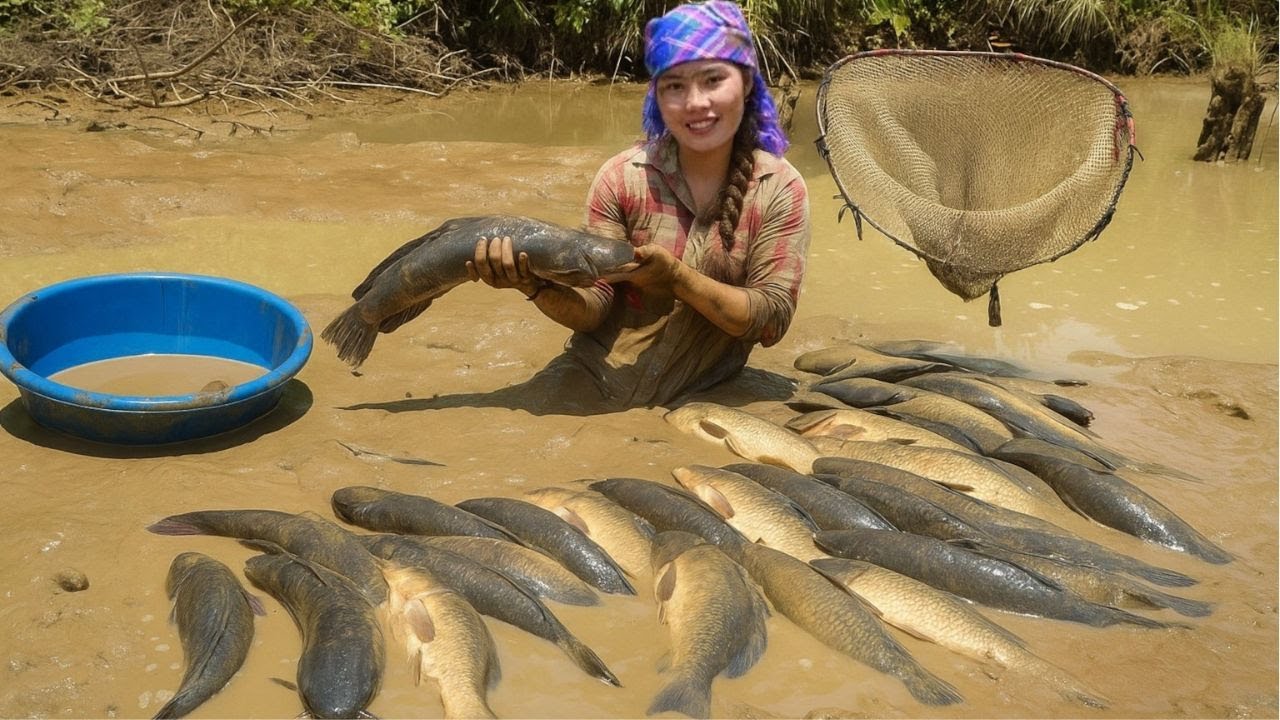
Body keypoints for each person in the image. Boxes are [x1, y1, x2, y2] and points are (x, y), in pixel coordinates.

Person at [467, 0, 810, 410]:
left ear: (748, 83)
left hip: (707, 394)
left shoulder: (780, 188)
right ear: (658, 97)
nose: (696, 103)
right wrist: (534, 285)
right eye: (675, 86)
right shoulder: (622, 178)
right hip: (592, 376)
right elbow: (594, 308)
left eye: (714, 80)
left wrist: (677, 278)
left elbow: (771, 320)